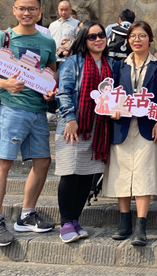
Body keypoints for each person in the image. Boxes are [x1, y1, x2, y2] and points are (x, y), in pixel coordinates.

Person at [0, 0, 57, 247]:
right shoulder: (3, 37)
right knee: (4, 162)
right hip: (12, 109)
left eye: (32, 9)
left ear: (40, 12)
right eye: (22, 8)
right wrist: (4, 83)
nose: (26, 13)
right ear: (14, 10)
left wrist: (50, 92)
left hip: (38, 111)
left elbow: (51, 73)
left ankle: (27, 215)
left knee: (43, 162)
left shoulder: (48, 42)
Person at [104, 21, 157, 246]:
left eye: (142, 35)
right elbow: (110, 92)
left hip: (147, 126)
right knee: (121, 173)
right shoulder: (118, 66)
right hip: (122, 125)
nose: (137, 40)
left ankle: (141, 225)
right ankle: (124, 222)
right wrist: (111, 108)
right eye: (133, 36)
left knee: (144, 172)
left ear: (150, 39)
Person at [55, 21, 119, 243]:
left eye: (101, 35)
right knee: (70, 174)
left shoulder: (112, 64)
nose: (98, 39)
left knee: (86, 175)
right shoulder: (73, 62)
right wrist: (70, 118)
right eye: (92, 36)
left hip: (98, 127)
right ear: (84, 39)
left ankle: (75, 220)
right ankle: (65, 222)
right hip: (74, 125)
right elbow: (64, 91)